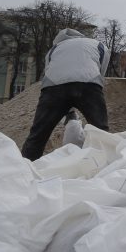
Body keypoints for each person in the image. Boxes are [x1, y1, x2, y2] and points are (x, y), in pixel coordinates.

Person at [21, 28, 109, 160]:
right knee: (100, 131)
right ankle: (105, 164)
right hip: (89, 84)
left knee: (38, 134)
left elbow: (49, 71)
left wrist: (66, 108)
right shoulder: (97, 44)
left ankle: (25, 169)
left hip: (53, 88)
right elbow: (101, 70)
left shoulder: (54, 49)